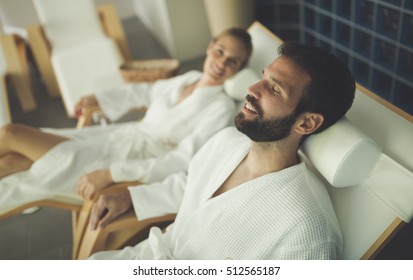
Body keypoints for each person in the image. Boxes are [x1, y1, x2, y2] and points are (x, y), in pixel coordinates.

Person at [89, 42, 356, 260]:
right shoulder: (226, 141)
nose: (251, 90)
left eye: (274, 88)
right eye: (264, 77)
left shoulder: (306, 228)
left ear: (307, 122)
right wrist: (130, 197)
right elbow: (190, 185)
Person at [0, 27, 252, 213]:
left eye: (233, 61)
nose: (221, 63)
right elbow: (146, 91)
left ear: (239, 69)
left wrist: (112, 173)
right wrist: (97, 97)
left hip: (127, 159)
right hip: (114, 138)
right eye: (220, 52)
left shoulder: (219, 107)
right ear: (210, 47)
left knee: (11, 133)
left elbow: (183, 160)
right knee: (13, 160)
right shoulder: (189, 78)